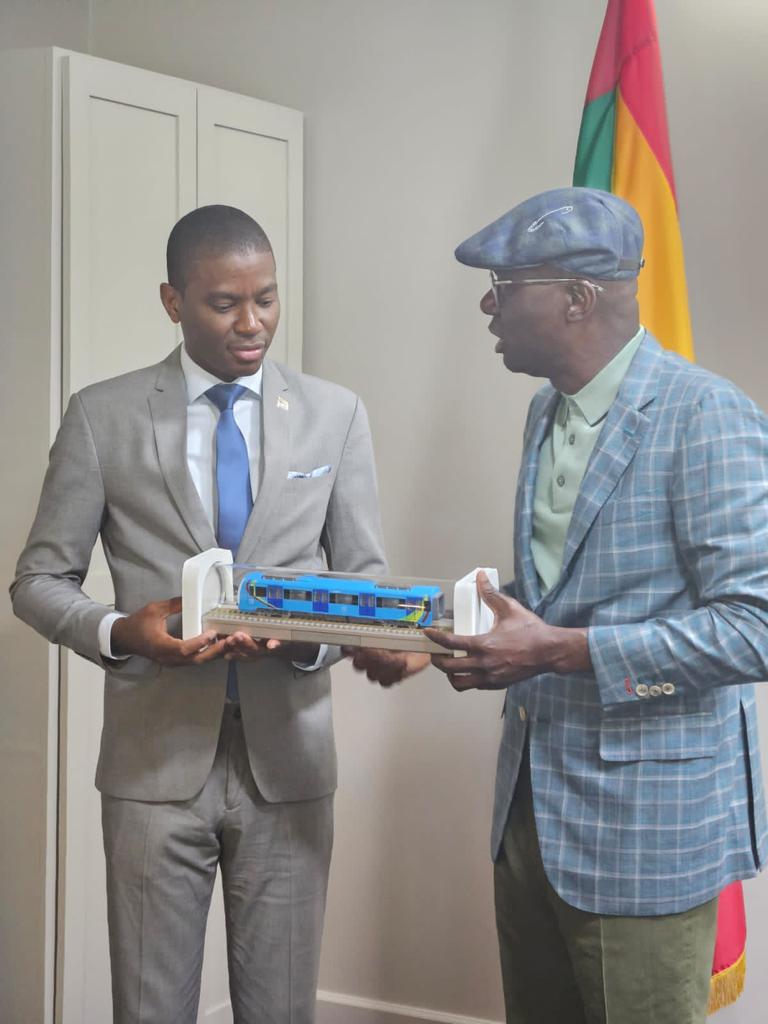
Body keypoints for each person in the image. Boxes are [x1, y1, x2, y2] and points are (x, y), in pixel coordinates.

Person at [354, 186, 768, 1024]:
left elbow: (754, 626)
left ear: (577, 300)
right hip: (531, 821)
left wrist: (557, 652)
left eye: (506, 284)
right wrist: (433, 637)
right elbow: (553, 597)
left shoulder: (705, 416)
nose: (488, 302)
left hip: (647, 836)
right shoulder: (546, 409)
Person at [11, 205, 387, 1024]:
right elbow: (38, 579)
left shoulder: (336, 415)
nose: (252, 324)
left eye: (267, 298)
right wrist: (120, 631)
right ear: (173, 301)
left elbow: (366, 581)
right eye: (224, 302)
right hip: (152, 772)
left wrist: (304, 641)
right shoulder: (100, 416)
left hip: (290, 768)